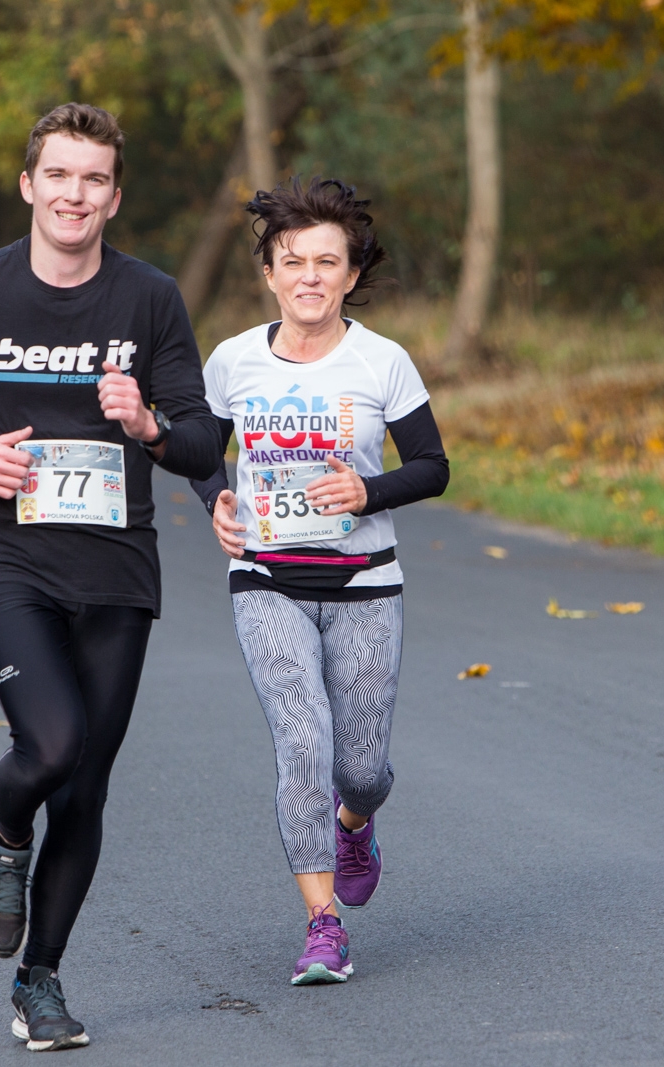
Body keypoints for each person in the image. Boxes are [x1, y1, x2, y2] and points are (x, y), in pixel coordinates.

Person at [0, 103, 219, 1051]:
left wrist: (144, 425)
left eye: (94, 179)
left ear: (113, 195)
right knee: (52, 746)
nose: (75, 194)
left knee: (90, 787)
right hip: (10, 563)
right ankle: (6, 834)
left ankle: (40, 982)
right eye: (58, 175)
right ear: (28, 184)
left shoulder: (150, 299)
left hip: (118, 573)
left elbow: (197, 438)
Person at [190, 178, 449, 986]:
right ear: (269, 271)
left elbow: (435, 467)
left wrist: (369, 491)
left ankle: (354, 822)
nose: (308, 274)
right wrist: (215, 500)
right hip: (265, 578)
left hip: (366, 582)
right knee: (303, 741)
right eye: (292, 259)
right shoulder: (233, 359)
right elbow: (202, 448)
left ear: (349, 273)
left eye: (326, 261)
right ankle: (323, 924)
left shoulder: (383, 361)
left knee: (361, 766)